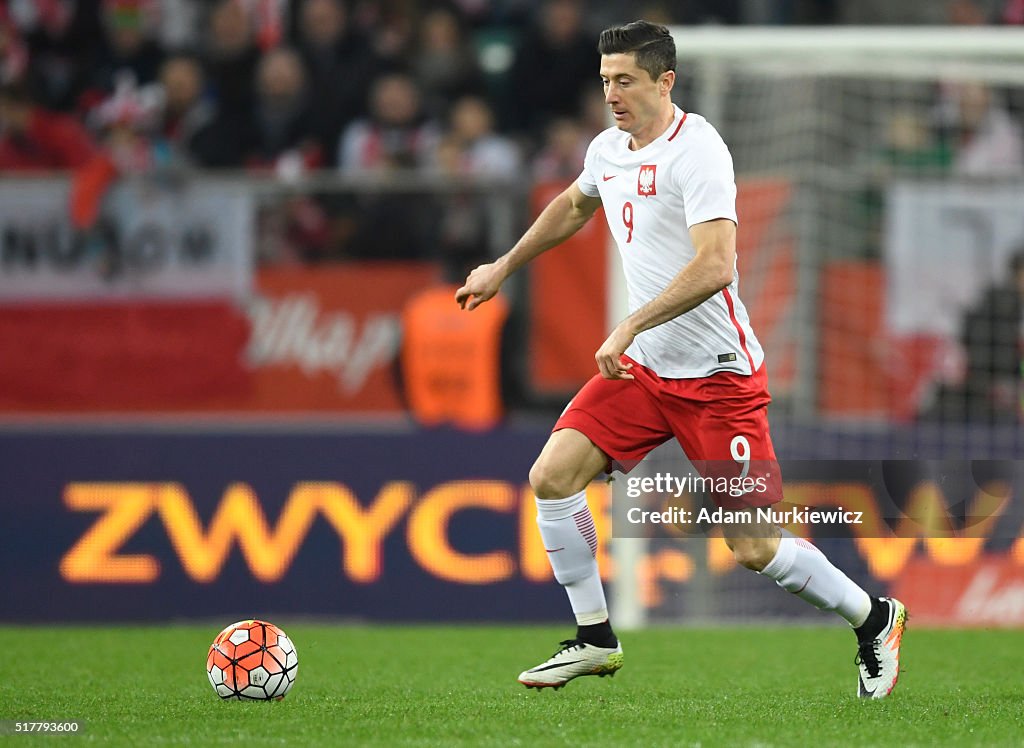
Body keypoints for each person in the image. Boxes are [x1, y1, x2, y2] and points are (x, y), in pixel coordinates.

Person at [455, 20, 907, 699]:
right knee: (551, 475)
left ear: (664, 81)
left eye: (626, 80)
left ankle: (875, 619)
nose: (612, 93)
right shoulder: (609, 148)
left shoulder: (698, 151)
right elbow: (575, 205)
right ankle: (594, 639)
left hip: (718, 376)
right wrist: (504, 265)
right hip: (645, 373)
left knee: (752, 548)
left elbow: (718, 264)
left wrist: (630, 322)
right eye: (606, 80)